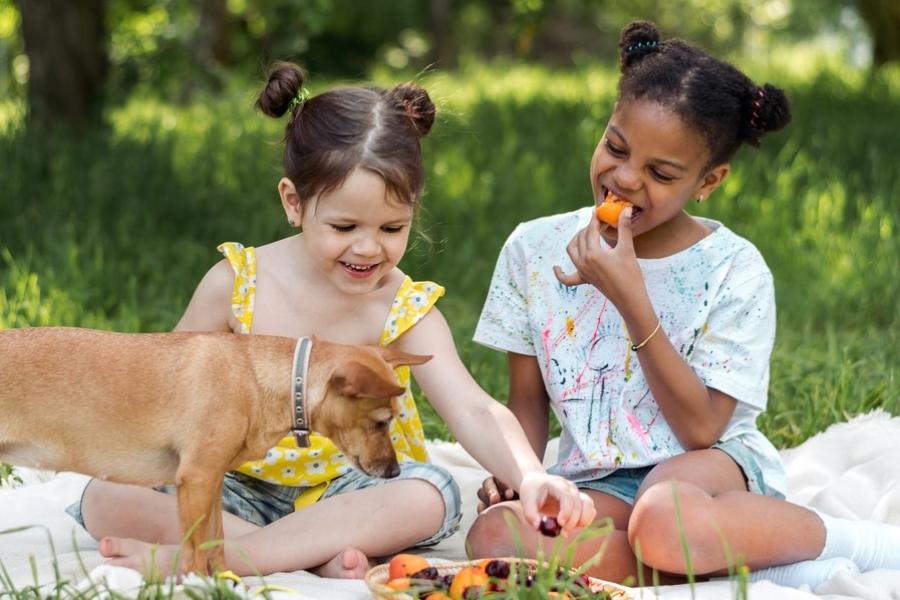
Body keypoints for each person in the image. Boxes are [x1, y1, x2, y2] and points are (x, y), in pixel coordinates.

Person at [66, 62, 596, 579]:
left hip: (351, 487)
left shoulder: (402, 306)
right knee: (105, 495)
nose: (368, 248)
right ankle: (294, 551)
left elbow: (473, 407)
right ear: (294, 203)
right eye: (344, 227)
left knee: (429, 495)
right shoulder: (238, 284)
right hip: (233, 482)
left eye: (392, 228)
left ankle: (227, 555)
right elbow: (166, 385)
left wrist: (531, 476)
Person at [466, 20, 900, 589]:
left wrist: (631, 299)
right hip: (601, 480)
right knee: (495, 536)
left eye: (660, 173)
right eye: (615, 147)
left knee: (663, 519)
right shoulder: (533, 248)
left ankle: (857, 543)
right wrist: (521, 477)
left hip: (710, 470)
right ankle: (748, 560)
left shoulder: (732, 270)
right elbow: (526, 399)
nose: (624, 178)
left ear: (707, 181)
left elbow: (701, 429)